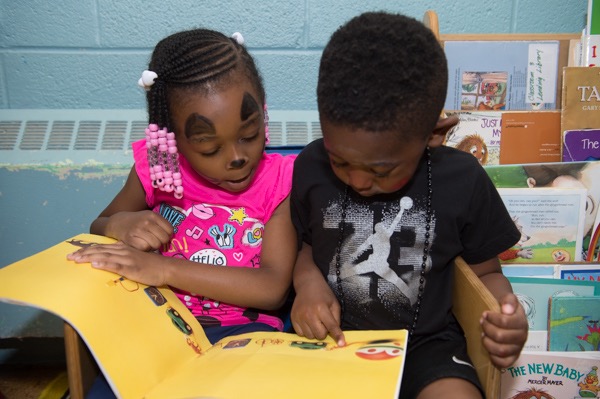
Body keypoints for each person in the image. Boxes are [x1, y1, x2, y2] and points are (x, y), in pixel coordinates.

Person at [289, 12, 528, 399]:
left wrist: (505, 314)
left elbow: (486, 274)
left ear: (434, 135)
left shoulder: (463, 179)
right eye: (341, 161)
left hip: (427, 345)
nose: (359, 181)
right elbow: (305, 246)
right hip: (330, 340)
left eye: (382, 169)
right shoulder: (310, 167)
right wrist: (308, 285)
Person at [68, 28, 297, 344]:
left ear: (263, 113)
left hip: (242, 334)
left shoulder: (279, 184)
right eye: (209, 148)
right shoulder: (158, 169)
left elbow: (272, 288)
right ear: (172, 140)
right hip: (158, 322)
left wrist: (164, 269)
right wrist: (119, 224)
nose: (237, 158)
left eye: (249, 134)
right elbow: (97, 227)